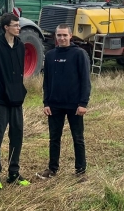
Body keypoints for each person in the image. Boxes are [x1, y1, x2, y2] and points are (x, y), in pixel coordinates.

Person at [37, 24, 91, 179]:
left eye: (64, 35)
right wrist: (46, 103)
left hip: (75, 105)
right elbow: (47, 81)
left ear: (70, 36)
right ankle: (52, 169)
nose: (62, 38)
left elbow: (85, 81)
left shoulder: (79, 54)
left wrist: (83, 103)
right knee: (54, 138)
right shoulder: (50, 55)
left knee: (78, 138)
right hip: (55, 105)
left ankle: (80, 171)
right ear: (55, 36)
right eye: (59, 35)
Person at [0, 12, 29, 189]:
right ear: (6, 27)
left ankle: (14, 172)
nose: (18, 28)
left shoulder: (21, 46)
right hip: (0, 99)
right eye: (15, 25)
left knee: (17, 135)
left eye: (19, 25)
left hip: (17, 99)